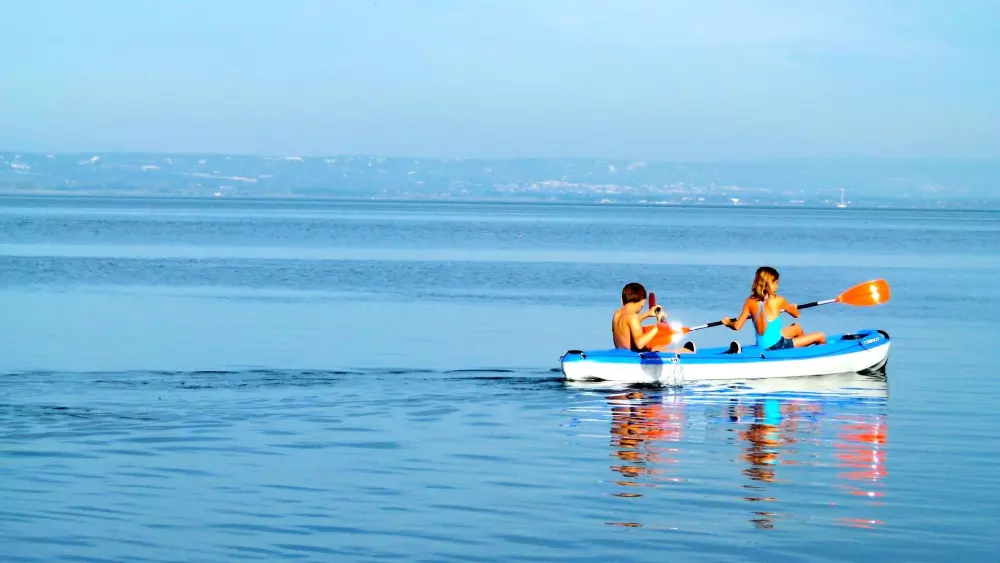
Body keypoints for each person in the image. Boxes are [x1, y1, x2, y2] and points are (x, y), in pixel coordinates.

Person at [721, 267, 826, 351]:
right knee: (820, 336)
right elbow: (797, 315)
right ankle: (814, 357)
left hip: (761, 345)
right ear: (768, 284)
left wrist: (728, 322)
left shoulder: (750, 301)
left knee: (797, 328)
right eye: (775, 283)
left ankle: (802, 352)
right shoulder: (779, 300)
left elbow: (737, 326)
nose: (777, 286)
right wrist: (793, 307)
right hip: (778, 346)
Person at [612, 282, 695, 353]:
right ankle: (688, 352)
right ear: (643, 301)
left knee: (658, 348)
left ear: (622, 300)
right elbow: (640, 344)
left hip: (621, 353)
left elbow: (628, 325)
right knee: (663, 349)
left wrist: (647, 314)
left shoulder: (617, 314)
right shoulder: (633, 316)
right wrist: (658, 326)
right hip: (633, 356)